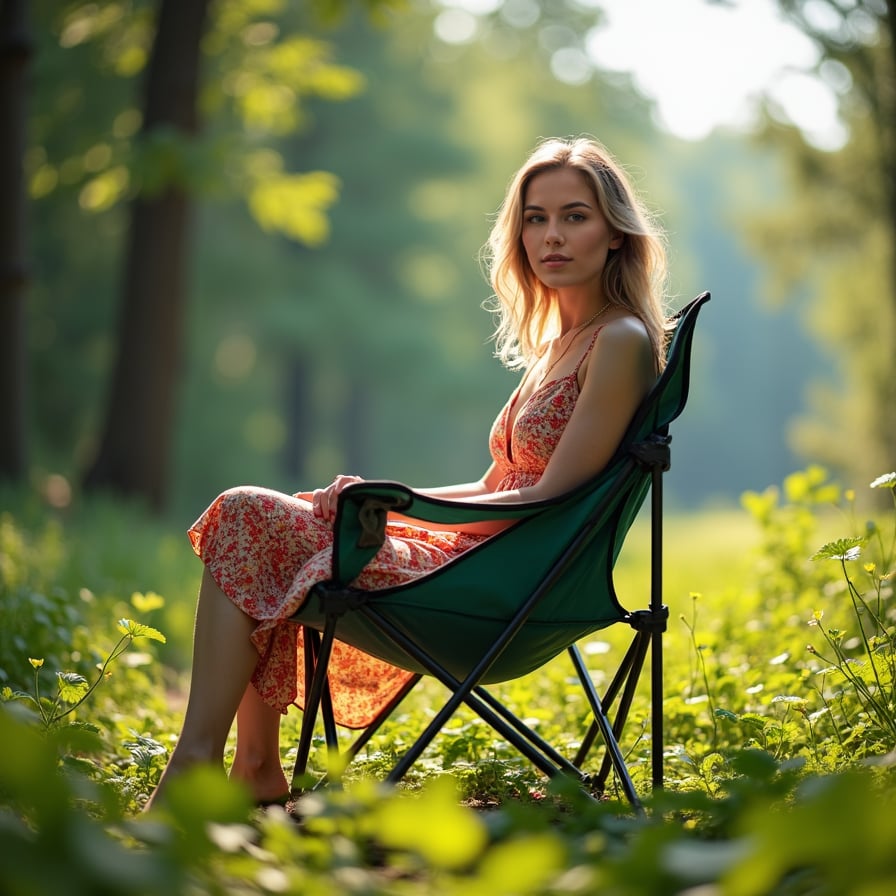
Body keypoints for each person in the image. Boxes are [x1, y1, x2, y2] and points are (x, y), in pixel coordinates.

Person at [145, 135, 670, 809]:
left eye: (575, 216)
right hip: (475, 558)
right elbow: (495, 484)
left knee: (252, 514)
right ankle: (253, 769)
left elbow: (549, 499)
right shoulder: (560, 345)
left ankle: (206, 767)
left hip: (501, 587)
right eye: (536, 218)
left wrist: (396, 509)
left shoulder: (620, 340)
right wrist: (377, 501)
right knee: (270, 520)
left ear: (616, 234)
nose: (552, 236)